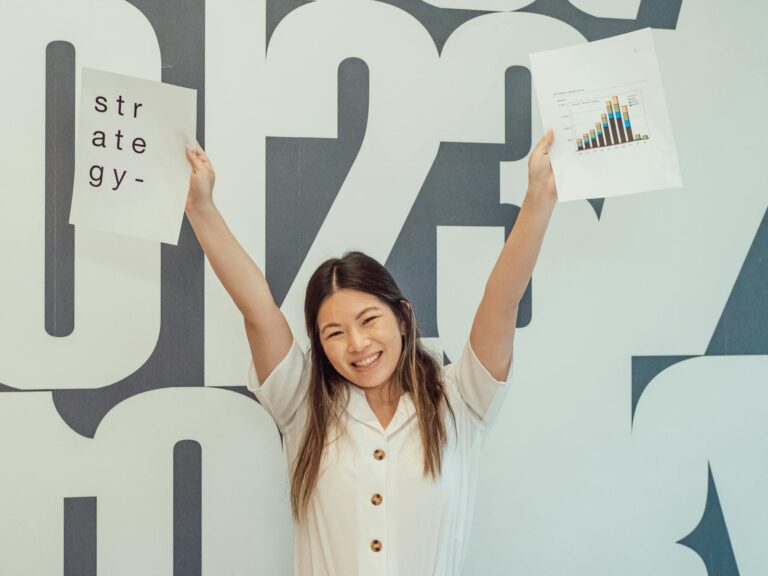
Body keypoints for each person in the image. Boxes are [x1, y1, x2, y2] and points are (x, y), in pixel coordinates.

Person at [184, 130, 557, 576]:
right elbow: (257, 310)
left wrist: (538, 199)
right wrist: (201, 208)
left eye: (368, 321)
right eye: (334, 333)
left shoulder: (460, 399)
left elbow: (501, 303)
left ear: (402, 317)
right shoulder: (304, 404)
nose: (357, 345)